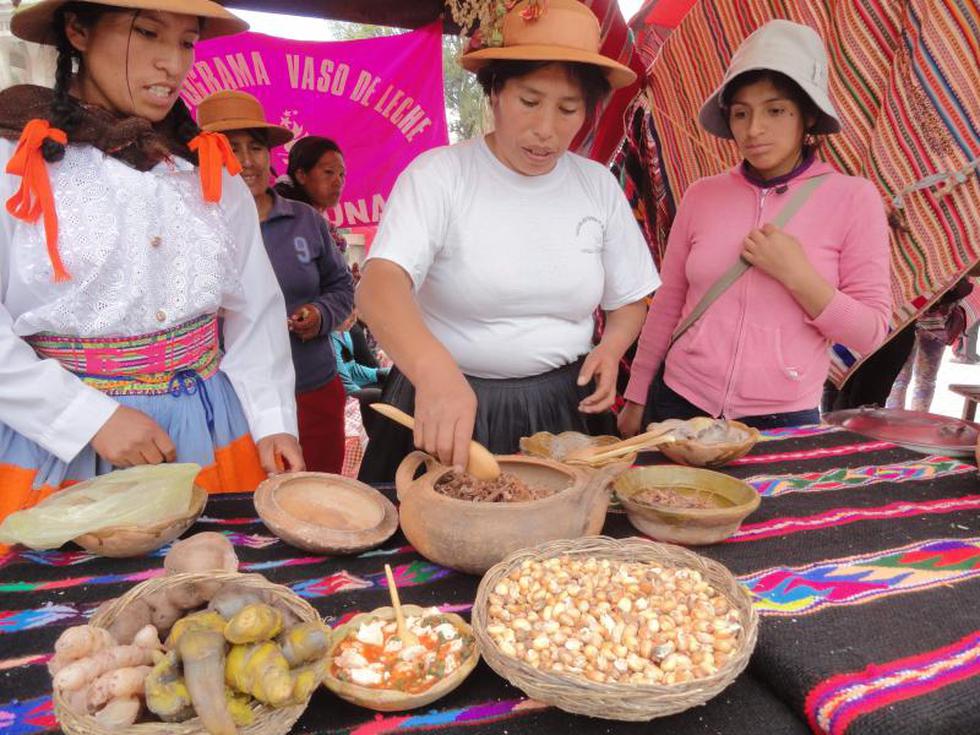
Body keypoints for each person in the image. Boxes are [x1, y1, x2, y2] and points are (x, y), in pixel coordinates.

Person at [0, 0, 303, 523]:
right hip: (62, 445)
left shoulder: (207, 169)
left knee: (217, 570)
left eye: (186, 42)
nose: (173, 63)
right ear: (78, 30)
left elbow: (256, 307)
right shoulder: (16, 161)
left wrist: (273, 419)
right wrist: (88, 418)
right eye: (147, 34)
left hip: (214, 432)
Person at [356, 0, 660, 482]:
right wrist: (433, 371)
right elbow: (378, 287)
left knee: (571, 531)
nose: (546, 129)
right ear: (495, 91)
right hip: (445, 402)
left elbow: (630, 298)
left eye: (568, 109)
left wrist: (612, 346)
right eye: (530, 101)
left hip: (564, 411)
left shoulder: (597, 185)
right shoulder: (440, 175)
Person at [619, 19, 892, 436]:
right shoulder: (702, 195)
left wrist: (797, 275)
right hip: (680, 403)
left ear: (808, 116)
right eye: (741, 113)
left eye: (775, 110)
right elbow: (668, 303)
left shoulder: (854, 199)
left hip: (781, 421)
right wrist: (637, 395)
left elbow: (870, 333)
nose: (754, 129)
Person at [197, 90, 355, 474]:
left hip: (311, 386)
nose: (247, 161)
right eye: (231, 149)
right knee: (245, 498)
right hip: (225, 397)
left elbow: (342, 287)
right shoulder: (193, 224)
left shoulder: (305, 220)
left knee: (318, 492)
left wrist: (319, 314)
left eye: (256, 148)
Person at [887, 278, 973, 412]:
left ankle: (895, 419)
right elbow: (963, 289)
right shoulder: (954, 269)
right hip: (935, 325)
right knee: (923, 380)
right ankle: (915, 419)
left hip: (910, 321)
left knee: (902, 379)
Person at [275, 136, 349, 254]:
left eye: (342, 174)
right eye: (328, 172)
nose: (338, 182)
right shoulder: (287, 222)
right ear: (301, 175)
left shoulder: (318, 224)